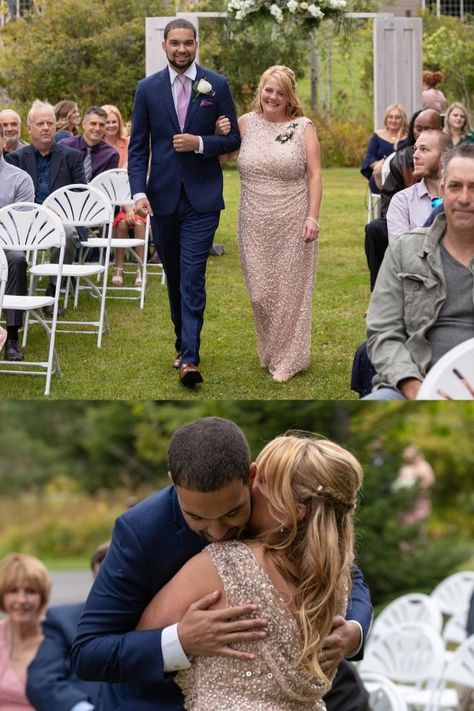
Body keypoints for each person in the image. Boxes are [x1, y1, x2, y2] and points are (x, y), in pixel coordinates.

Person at [71, 417, 372, 711]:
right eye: (197, 518)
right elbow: (88, 652)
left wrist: (354, 632)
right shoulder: (141, 532)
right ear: (173, 484)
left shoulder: (273, 510)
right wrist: (181, 640)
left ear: (251, 479)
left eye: (232, 513)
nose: (217, 534)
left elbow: (346, 572)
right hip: (153, 700)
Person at [128, 19, 241, 387]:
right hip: (161, 197)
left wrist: (202, 143)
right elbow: (138, 147)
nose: (181, 49)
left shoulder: (216, 85)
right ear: (164, 46)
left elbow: (234, 139)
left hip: (203, 198)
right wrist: (138, 192)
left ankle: (190, 358)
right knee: (174, 275)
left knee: (193, 274)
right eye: (175, 43)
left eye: (188, 43)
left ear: (196, 45)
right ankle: (182, 341)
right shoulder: (147, 89)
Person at [365, 141, 474, 399]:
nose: (465, 198)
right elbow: (383, 331)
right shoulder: (405, 249)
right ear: (444, 190)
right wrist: (415, 387)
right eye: (456, 186)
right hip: (413, 381)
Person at [236, 66, 321, 383]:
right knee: (260, 292)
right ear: (260, 90)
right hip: (253, 220)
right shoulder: (245, 124)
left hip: (293, 217)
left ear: (289, 98)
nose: (273, 96)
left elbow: (314, 174)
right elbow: (222, 155)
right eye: (268, 90)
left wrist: (313, 216)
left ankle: (289, 358)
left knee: (289, 291)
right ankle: (272, 348)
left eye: (280, 92)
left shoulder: (302, 127)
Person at [5, 100, 86, 327]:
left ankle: (54, 289)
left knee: (68, 233)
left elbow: (81, 193)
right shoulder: (16, 159)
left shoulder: (71, 157)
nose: (46, 128)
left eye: (50, 123)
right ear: (29, 128)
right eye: (40, 123)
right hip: (24, 221)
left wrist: (60, 211)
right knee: (12, 249)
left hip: (60, 221)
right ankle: (11, 296)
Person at [25, 542, 110, 711]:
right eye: (100, 582)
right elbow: (41, 680)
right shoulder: (64, 620)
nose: (110, 590)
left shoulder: (166, 620)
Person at [364, 109, 442, 290]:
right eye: (417, 128)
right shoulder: (401, 159)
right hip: (404, 219)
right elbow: (389, 199)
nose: (420, 133)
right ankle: (380, 293)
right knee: (375, 228)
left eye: (427, 129)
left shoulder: (455, 168)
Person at [0, 121, 35, 363]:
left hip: (6, 244)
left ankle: (11, 336)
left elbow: (20, 227)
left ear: (3, 141)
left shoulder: (19, 179)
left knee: (16, 258)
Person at [101, 103, 145, 288]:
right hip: (108, 197)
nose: (111, 125)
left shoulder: (127, 143)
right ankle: (118, 267)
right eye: (107, 122)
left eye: (114, 121)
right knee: (121, 223)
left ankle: (139, 268)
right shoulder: (98, 145)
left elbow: (132, 172)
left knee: (137, 222)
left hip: (132, 195)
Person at [0, 553, 51, 709]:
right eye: (13, 591)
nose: (21, 600)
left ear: (42, 596)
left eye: (30, 591)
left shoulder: (57, 637)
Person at [386, 130, 453, 242]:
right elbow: (400, 251)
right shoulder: (403, 201)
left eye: (424, 149)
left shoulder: (464, 198)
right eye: (415, 149)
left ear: (445, 157)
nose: (414, 155)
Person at [60, 106, 119, 181]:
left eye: (101, 125)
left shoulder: (111, 155)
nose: (97, 128)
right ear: (84, 124)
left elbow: (109, 184)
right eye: (93, 124)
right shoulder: (65, 146)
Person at [361, 103, 408, 193]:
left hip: (401, 176)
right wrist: (379, 165)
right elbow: (369, 157)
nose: (393, 120)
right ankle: (385, 197)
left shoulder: (408, 138)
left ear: (403, 120)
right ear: (386, 119)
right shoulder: (377, 136)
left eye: (397, 118)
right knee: (378, 171)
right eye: (390, 117)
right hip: (380, 175)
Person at [392, 446, 435, 524]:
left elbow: (430, 481)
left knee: (419, 523)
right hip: (406, 501)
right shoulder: (405, 468)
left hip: (420, 500)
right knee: (405, 523)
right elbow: (399, 481)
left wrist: (416, 488)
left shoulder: (424, 466)